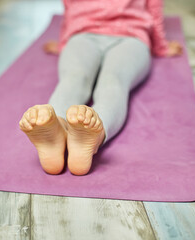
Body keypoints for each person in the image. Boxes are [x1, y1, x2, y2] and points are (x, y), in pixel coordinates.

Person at [19, 0, 183, 176]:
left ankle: (86, 134)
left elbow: (153, 8)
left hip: (122, 38)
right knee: (98, 81)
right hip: (109, 36)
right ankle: (57, 129)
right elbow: (69, 7)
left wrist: (160, 47)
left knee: (91, 79)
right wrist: (160, 47)